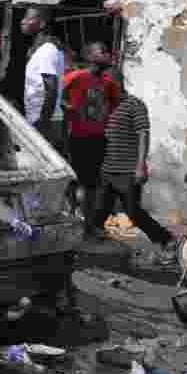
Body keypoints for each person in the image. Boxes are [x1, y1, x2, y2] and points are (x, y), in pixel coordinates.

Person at [92, 68, 178, 265]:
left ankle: (166, 240)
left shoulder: (134, 105)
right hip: (107, 168)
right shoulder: (106, 106)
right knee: (100, 211)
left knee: (133, 213)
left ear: (118, 83)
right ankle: (99, 253)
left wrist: (140, 166)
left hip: (128, 169)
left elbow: (143, 134)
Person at [63, 41, 120, 235]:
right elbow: (58, 98)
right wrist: (68, 111)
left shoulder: (109, 84)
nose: (108, 55)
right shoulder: (75, 77)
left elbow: (114, 109)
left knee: (92, 185)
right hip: (77, 137)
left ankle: (88, 225)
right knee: (74, 182)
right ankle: (73, 220)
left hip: (98, 139)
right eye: (102, 51)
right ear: (89, 56)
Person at [21, 7, 64, 143]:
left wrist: (43, 122)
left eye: (29, 18)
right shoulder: (40, 50)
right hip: (39, 119)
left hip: (45, 122)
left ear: (42, 24)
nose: (23, 21)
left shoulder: (47, 51)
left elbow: (51, 89)